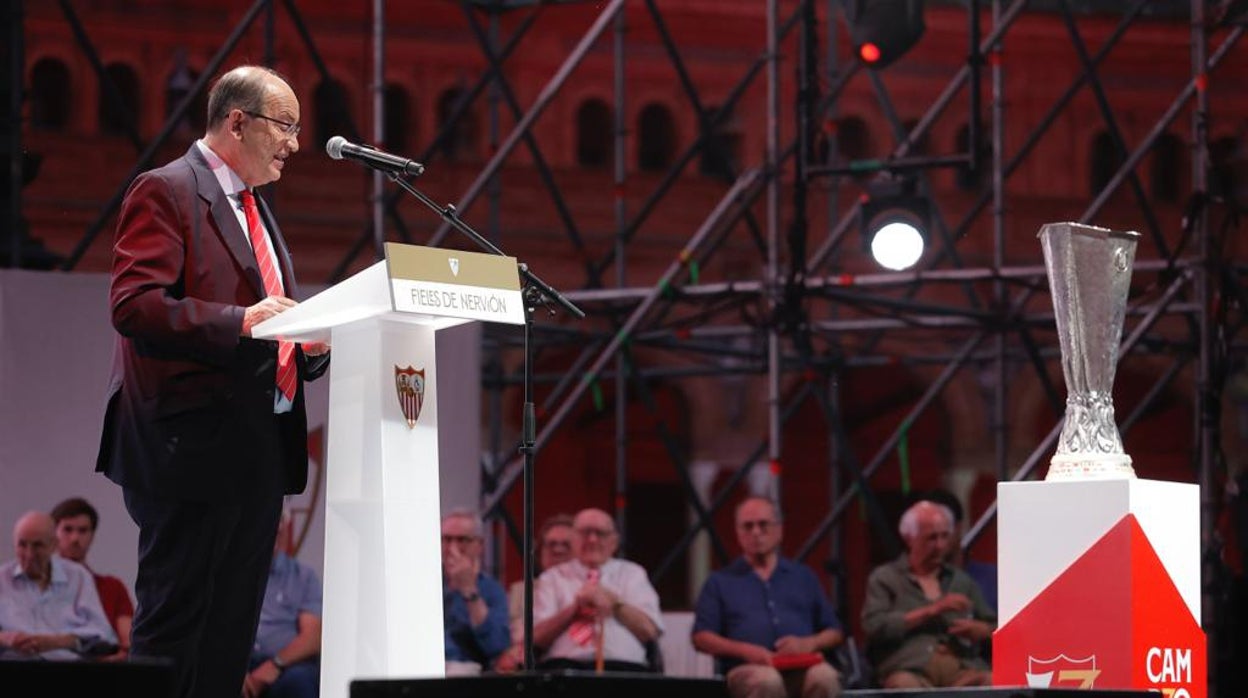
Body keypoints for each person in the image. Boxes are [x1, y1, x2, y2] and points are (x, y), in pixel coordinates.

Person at [94, 65, 329, 698]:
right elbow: (135, 305)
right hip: (189, 449)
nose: (295, 144)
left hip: (257, 450)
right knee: (175, 630)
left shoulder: (255, 207)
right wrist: (240, 321)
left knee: (229, 637)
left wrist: (307, 346)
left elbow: (270, 318)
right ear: (237, 122)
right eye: (285, 126)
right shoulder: (167, 189)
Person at [693, 497, 843, 698]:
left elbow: (834, 631)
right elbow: (701, 637)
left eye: (763, 524)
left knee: (825, 677)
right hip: (747, 669)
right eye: (748, 526)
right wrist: (746, 651)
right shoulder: (720, 582)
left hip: (802, 665)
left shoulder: (803, 577)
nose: (756, 532)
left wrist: (808, 643)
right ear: (737, 532)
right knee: (767, 681)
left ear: (779, 529)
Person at [862, 500, 995, 688]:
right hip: (911, 669)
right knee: (903, 685)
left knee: (994, 680)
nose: (940, 546)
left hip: (961, 669)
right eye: (931, 538)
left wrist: (982, 630)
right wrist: (931, 611)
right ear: (909, 538)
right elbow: (874, 626)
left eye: (945, 536)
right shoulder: (886, 578)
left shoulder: (961, 581)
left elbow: (996, 626)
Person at [533, 508, 663, 672]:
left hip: (624, 669)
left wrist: (615, 603)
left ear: (614, 541)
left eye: (600, 533)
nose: (592, 539)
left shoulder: (632, 574)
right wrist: (574, 610)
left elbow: (650, 632)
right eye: (585, 532)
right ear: (573, 538)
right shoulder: (552, 578)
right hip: (565, 669)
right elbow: (536, 638)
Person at [0, 511, 117, 660]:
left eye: (38, 545)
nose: (29, 554)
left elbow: (103, 633)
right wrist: (4, 638)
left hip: (66, 666)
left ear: (54, 545)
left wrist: (58, 642)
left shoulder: (78, 577)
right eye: (22, 545)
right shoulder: (2, 579)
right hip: (13, 666)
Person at [244, 512, 322, 698]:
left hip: (285, 666)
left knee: (299, 681)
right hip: (239, 664)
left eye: (281, 523)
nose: (276, 529)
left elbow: (312, 637)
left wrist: (275, 664)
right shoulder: (232, 577)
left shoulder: (303, 577)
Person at [50, 496, 135, 659]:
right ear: (53, 534)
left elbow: (128, 644)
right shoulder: (37, 585)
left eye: (83, 530)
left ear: (92, 535)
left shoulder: (112, 587)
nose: (75, 538)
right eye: (68, 529)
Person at [495, 513, 575, 672]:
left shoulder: (587, 588)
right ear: (540, 551)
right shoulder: (520, 590)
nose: (557, 550)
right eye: (551, 544)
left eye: (566, 545)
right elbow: (512, 635)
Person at [442, 509, 511, 675]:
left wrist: (469, 590)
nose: (452, 548)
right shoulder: (422, 583)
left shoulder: (492, 590)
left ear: (479, 545)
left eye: (462, 540)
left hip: (468, 672)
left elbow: (496, 646)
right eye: (446, 539)